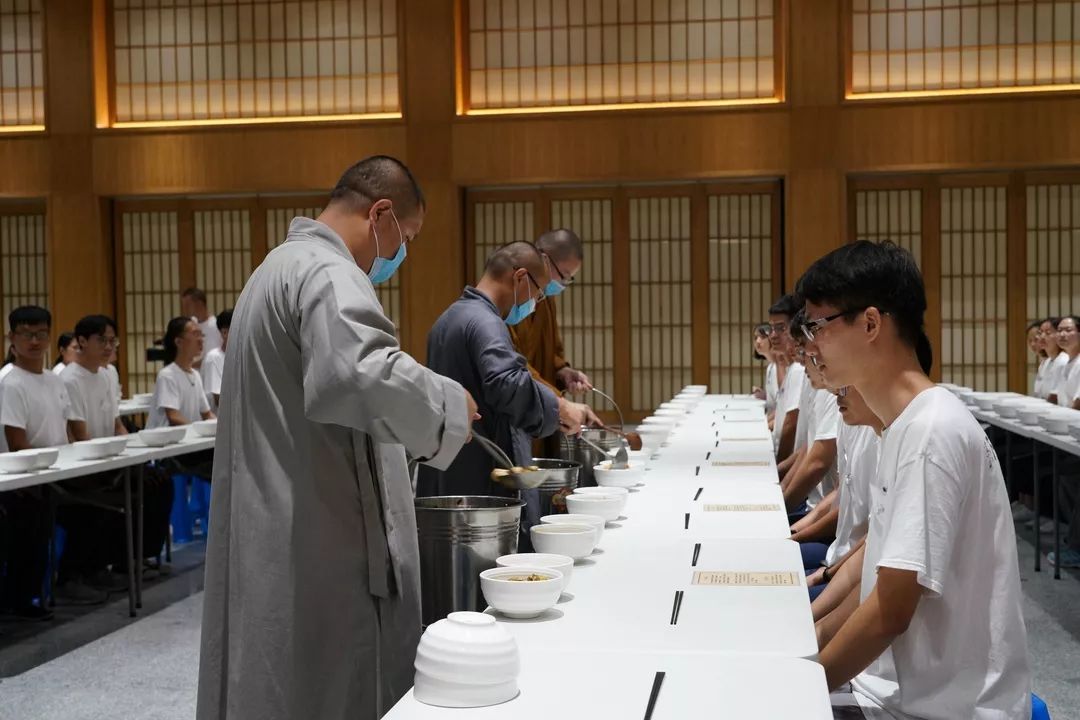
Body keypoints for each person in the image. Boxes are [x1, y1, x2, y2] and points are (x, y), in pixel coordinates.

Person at [197, 155, 477, 720]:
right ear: (381, 214)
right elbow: (359, 372)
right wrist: (449, 405)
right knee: (325, 684)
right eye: (407, 236)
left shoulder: (275, 267)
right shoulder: (329, 272)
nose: (402, 254)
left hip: (283, 508)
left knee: (279, 679)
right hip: (318, 526)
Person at [800, 241, 1029, 718]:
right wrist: (807, 645)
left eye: (816, 326)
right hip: (898, 693)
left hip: (940, 709)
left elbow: (890, 612)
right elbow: (876, 584)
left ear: (869, 324)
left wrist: (797, 686)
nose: (810, 345)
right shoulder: (900, 426)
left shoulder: (928, 431)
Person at [419, 241, 593, 539]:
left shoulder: (448, 318)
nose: (536, 303)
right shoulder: (486, 322)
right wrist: (560, 408)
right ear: (521, 277)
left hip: (452, 467)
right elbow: (507, 383)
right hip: (483, 475)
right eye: (538, 293)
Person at [509, 229, 600, 456]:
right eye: (564, 275)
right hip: (519, 403)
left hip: (541, 400)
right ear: (544, 259)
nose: (564, 283)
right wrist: (558, 402)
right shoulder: (510, 298)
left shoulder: (545, 300)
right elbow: (511, 362)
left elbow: (551, 350)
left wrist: (563, 371)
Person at [0, 306, 65, 619]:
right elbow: (16, 443)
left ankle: (78, 576)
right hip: (18, 478)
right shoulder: (9, 382)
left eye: (41, 334)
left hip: (52, 469)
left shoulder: (54, 380)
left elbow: (61, 433)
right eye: (27, 334)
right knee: (31, 518)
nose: (35, 341)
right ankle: (19, 598)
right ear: (12, 338)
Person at [148, 317, 215, 429]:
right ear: (178, 342)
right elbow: (174, 416)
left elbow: (207, 414)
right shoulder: (167, 375)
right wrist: (197, 430)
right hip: (164, 443)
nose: (200, 339)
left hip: (187, 439)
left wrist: (221, 429)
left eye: (201, 334)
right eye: (195, 334)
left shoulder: (195, 375)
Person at [768, 294, 805, 463]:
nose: (773, 335)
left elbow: (791, 424)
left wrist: (778, 465)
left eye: (780, 328)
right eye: (771, 328)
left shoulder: (798, 369)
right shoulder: (792, 367)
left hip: (789, 459)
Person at [200, 308, 231, 409]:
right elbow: (218, 399)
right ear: (223, 333)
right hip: (218, 420)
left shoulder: (244, 356)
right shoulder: (214, 357)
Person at [181, 287, 223, 358]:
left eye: (188, 305)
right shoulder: (190, 324)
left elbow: (211, 356)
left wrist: (188, 365)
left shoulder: (214, 326)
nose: (185, 309)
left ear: (199, 304)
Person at [1044, 316, 1068, 405]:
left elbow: (1054, 397)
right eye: (1041, 332)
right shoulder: (1047, 361)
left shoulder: (1063, 360)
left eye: (1047, 333)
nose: (1042, 337)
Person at [1029, 320, 1050, 398]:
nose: (1032, 344)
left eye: (1036, 339)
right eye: (1030, 341)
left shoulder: (1059, 360)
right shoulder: (1043, 362)